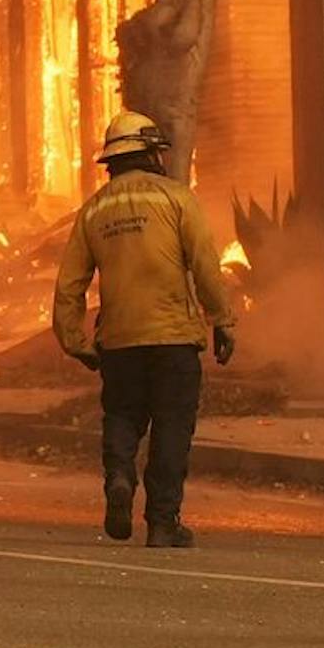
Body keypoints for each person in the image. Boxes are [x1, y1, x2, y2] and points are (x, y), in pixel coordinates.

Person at [52, 109, 235, 549]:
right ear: (151, 155)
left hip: (119, 341)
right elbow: (206, 266)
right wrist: (223, 320)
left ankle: (118, 476)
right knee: (172, 426)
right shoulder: (176, 198)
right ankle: (162, 522)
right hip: (173, 336)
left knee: (122, 415)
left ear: (113, 162)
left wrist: (76, 342)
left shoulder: (93, 211)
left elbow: (69, 285)